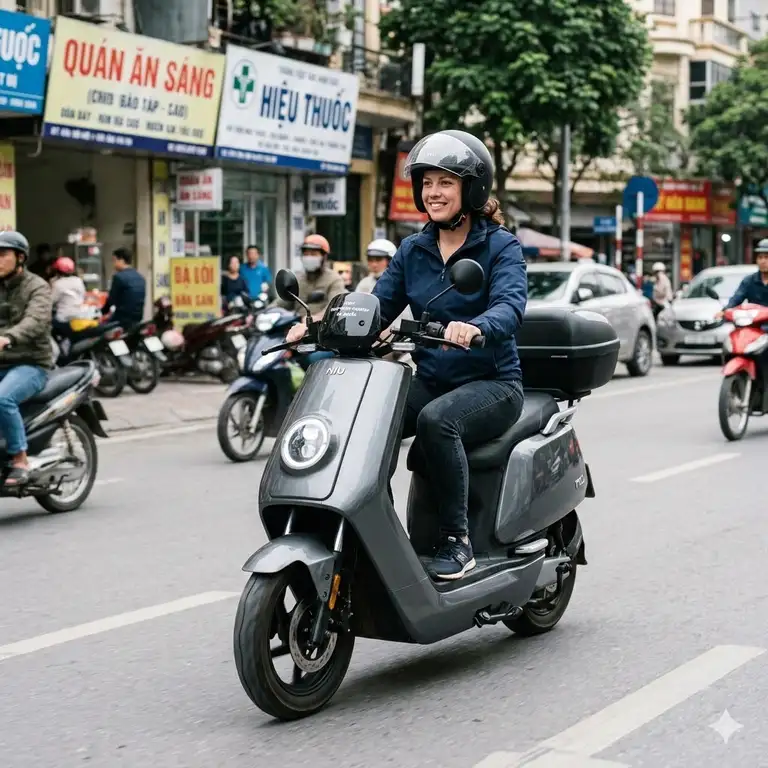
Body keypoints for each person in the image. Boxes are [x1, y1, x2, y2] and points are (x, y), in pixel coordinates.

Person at [285, 130, 527, 580]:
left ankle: (458, 542)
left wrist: (475, 328)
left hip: (492, 383)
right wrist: (315, 329)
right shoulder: (414, 250)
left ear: (471, 189)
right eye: (428, 182)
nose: (434, 192)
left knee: (439, 421)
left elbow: (510, 308)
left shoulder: (501, 247)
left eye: (446, 183)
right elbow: (374, 310)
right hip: (433, 378)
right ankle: (376, 533)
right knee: (368, 420)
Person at [0, 231, 53, 486]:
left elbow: (36, 320)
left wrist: (8, 337)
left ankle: (20, 458)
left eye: (2, 255)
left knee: (2, 398)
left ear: (20, 257)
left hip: (30, 363)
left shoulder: (38, 287)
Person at [719, 239, 768, 313]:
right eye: (760, 257)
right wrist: (725, 310)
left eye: (766, 257)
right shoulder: (749, 280)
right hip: (754, 321)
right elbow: (737, 298)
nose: (763, 261)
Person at [102, 247, 146, 329]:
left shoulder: (119, 277)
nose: (113, 264)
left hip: (121, 320)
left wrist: (102, 312)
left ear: (121, 260)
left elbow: (111, 300)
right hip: (137, 319)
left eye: (114, 260)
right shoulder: (140, 277)